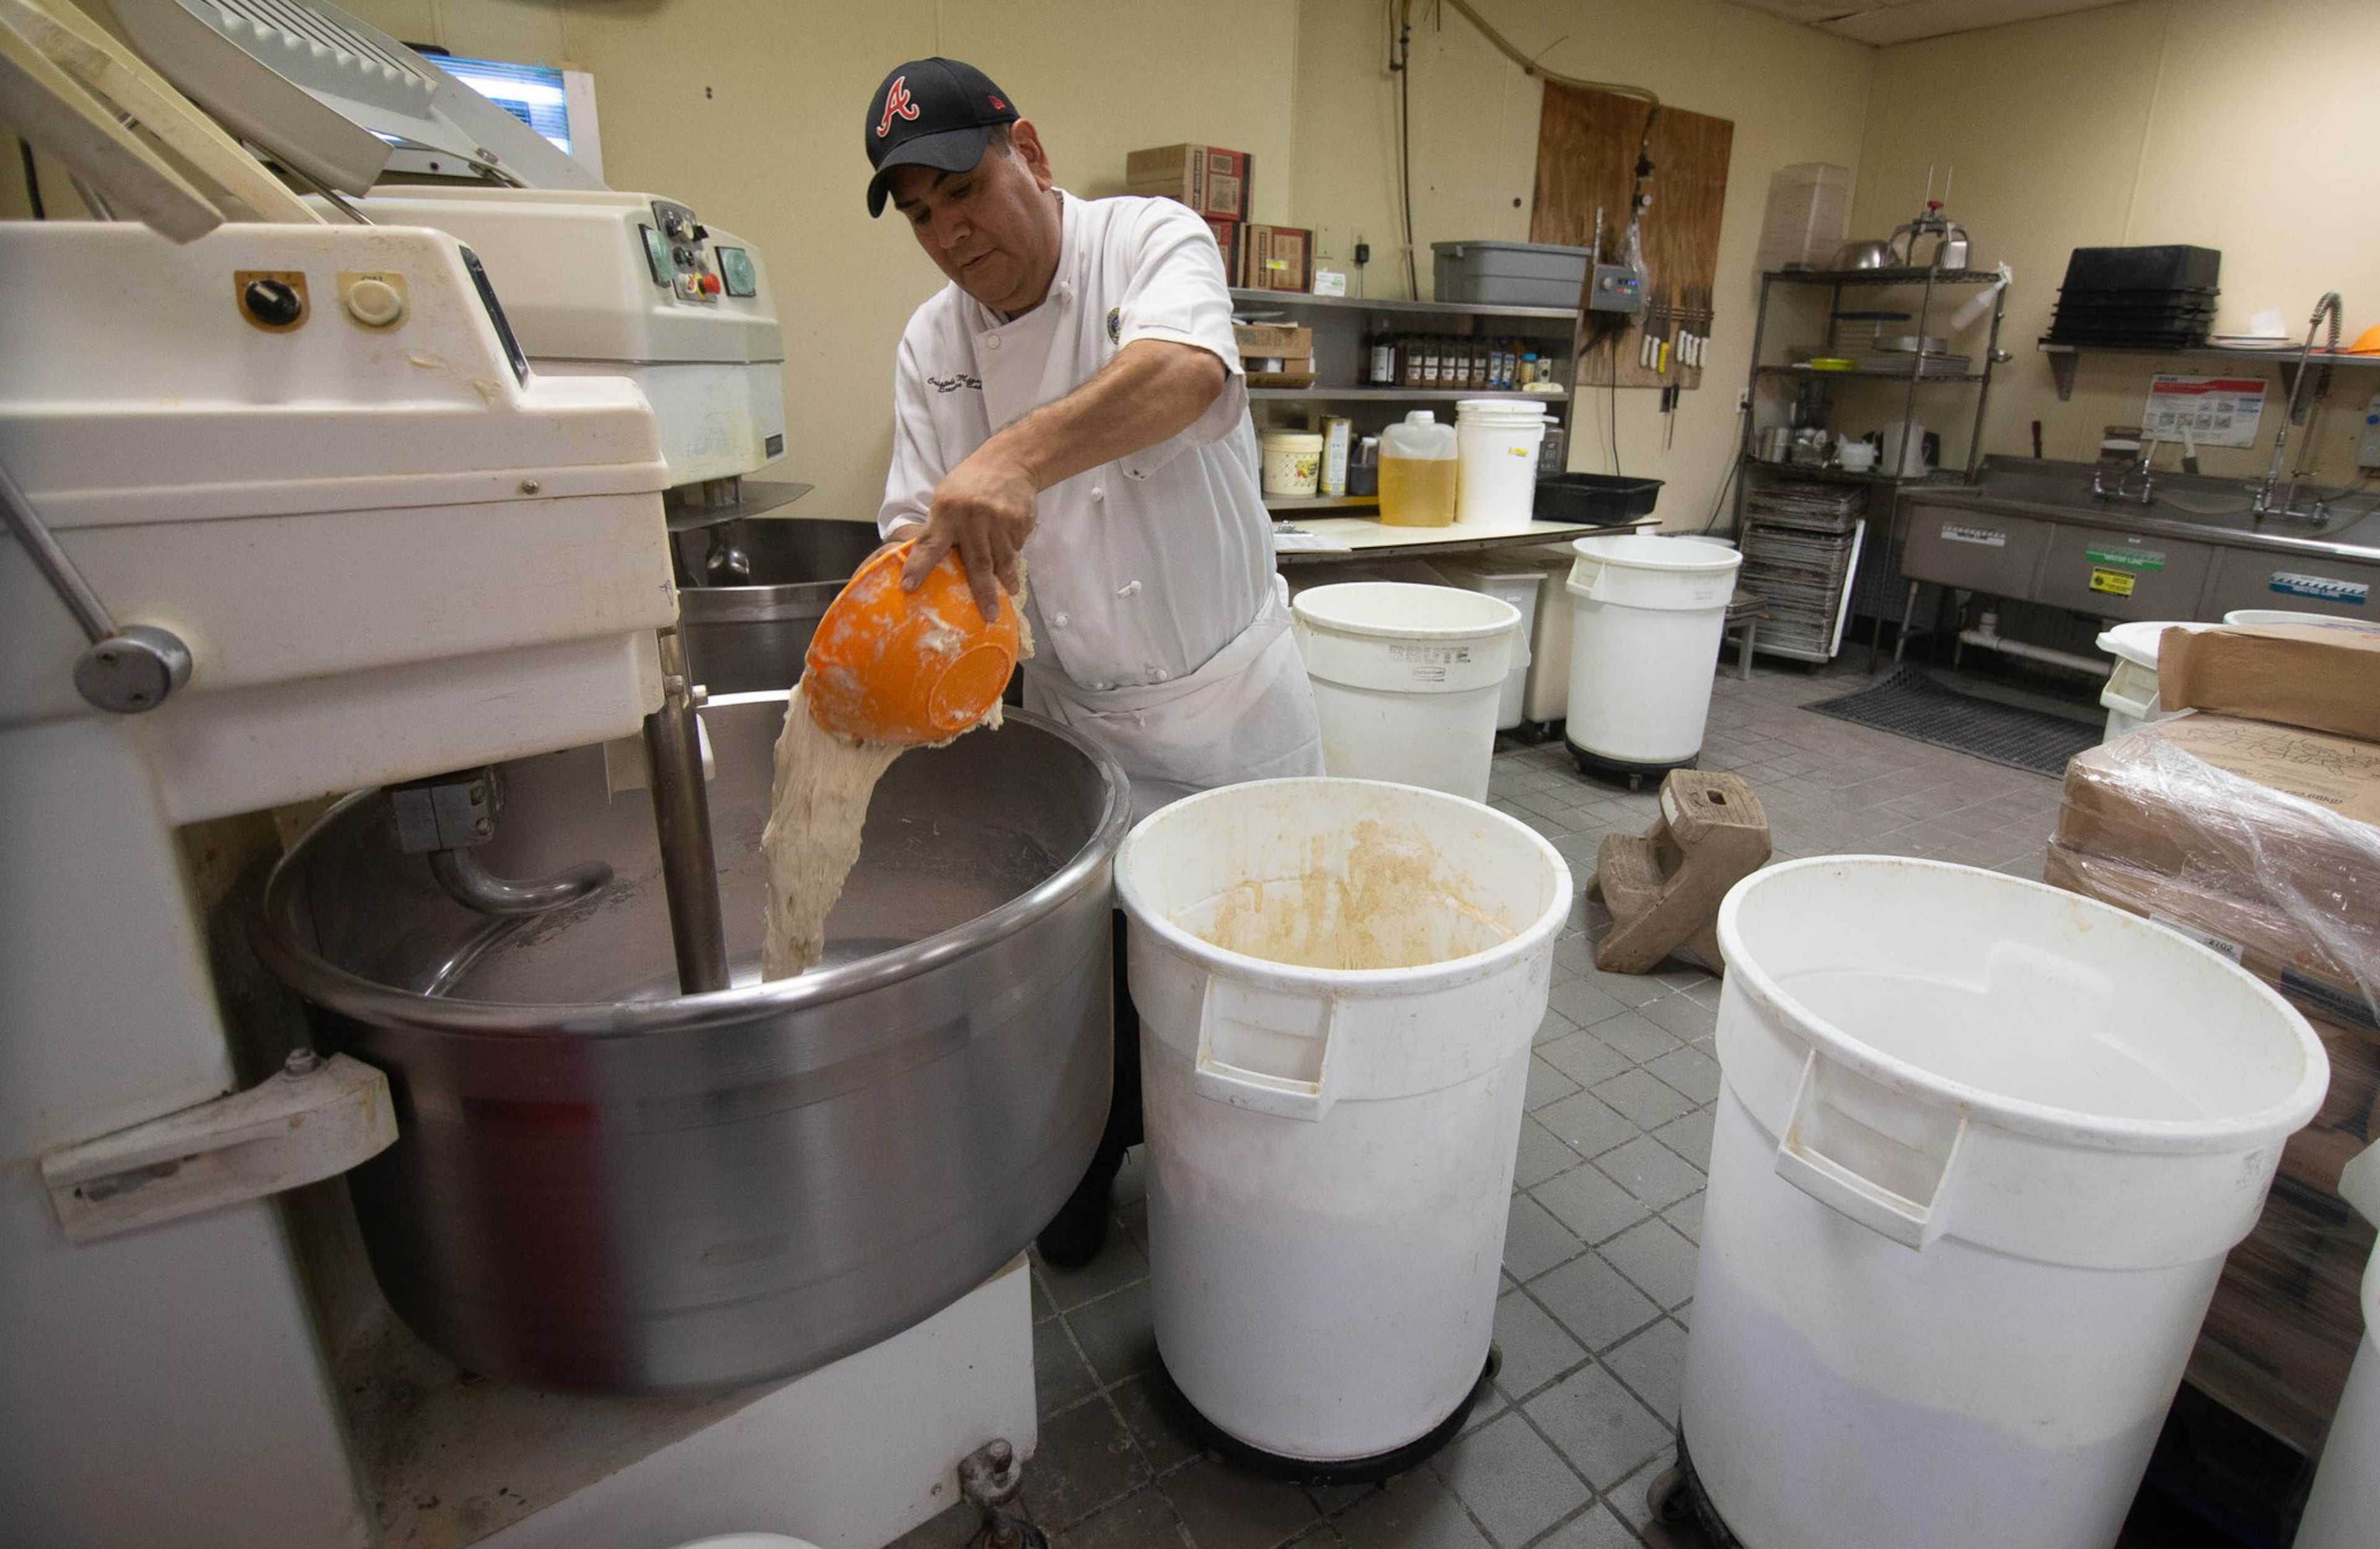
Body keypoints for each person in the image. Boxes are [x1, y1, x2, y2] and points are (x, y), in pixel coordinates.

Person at [863, 58, 1323, 1265]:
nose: (947, 231)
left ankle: (1245, 1195)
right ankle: (1090, 1160)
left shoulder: (1148, 241)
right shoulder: (933, 343)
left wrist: (1014, 459)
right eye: (918, 214)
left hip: (1228, 714)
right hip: (1078, 727)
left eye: (960, 188)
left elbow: (1185, 374)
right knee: (1099, 992)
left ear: (1030, 152)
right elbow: (917, 541)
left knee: (1246, 987)